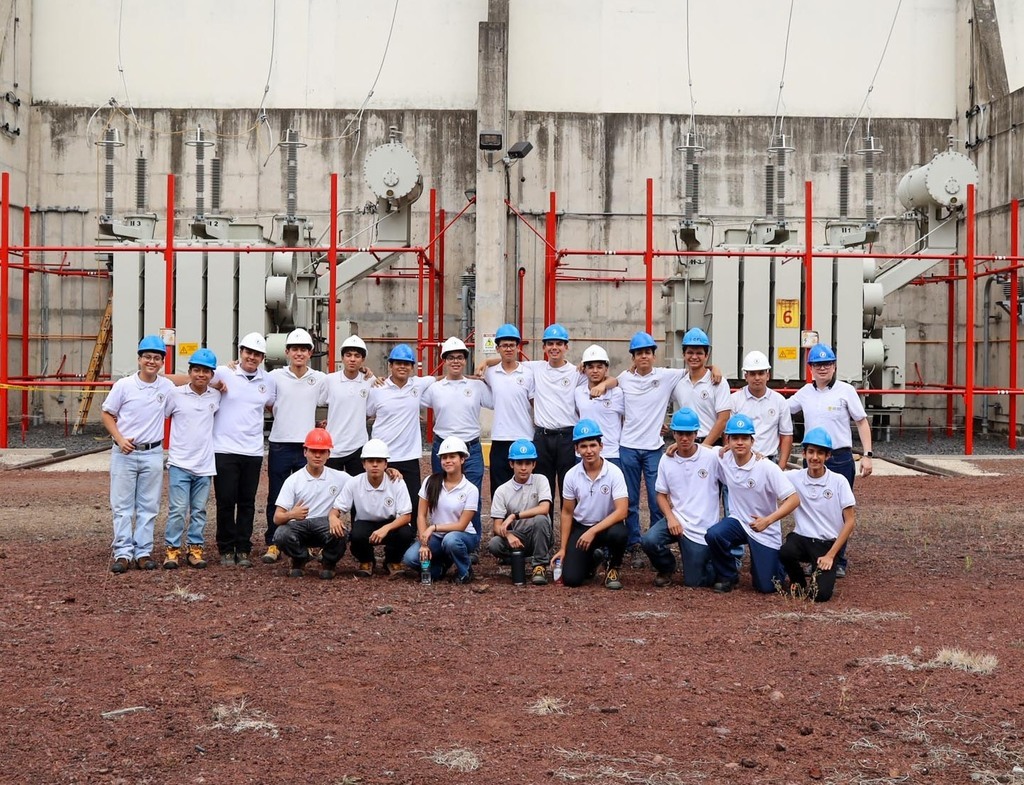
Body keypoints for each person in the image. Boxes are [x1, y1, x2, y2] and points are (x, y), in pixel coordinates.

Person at [788, 343, 872, 577]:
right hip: (812, 459)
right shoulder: (805, 393)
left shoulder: (846, 391)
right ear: (810, 368)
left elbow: (862, 422)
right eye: (817, 364)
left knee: (840, 511)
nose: (822, 368)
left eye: (827, 363)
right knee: (810, 508)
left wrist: (867, 455)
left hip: (839, 458)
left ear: (834, 365)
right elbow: (781, 410)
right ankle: (814, 556)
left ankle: (838, 560)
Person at [101, 335, 176, 573]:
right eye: (147, 357)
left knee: (148, 505)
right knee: (122, 505)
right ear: (139, 359)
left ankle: (142, 551)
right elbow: (107, 414)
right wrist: (119, 438)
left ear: (162, 362)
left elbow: (188, 380)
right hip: (125, 452)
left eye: (156, 358)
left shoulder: (166, 387)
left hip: (152, 452)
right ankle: (123, 552)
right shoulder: (124, 385)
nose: (151, 362)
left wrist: (217, 378)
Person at [705, 413, 800, 594]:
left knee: (767, 587)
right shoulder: (723, 457)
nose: (740, 442)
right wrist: (675, 446)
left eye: (744, 438)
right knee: (714, 534)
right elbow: (695, 448)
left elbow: (794, 499)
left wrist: (768, 520)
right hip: (739, 522)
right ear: (728, 440)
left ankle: (777, 563)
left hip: (764, 529)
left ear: (752, 441)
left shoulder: (766, 467)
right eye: (735, 438)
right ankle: (728, 576)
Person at [615, 331, 688, 557]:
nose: (643, 356)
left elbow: (694, 369)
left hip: (654, 448)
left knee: (659, 499)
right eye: (639, 353)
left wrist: (715, 369)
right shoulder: (624, 378)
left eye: (647, 352)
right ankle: (634, 543)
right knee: (631, 499)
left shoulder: (666, 376)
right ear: (633, 357)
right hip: (628, 446)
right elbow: (610, 382)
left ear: (654, 356)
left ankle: (656, 544)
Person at [263, 328, 328, 564]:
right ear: (287, 352)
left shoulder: (320, 379)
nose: (299, 353)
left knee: (310, 496)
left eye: (303, 349)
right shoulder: (274, 377)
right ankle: (273, 542)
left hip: (307, 446)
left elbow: (338, 395)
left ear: (310, 353)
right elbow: (267, 402)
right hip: (280, 443)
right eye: (295, 349)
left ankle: (311, 543)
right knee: (277, 496)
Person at [211, 332, 277, 568]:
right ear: (240, 352)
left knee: (247, 502)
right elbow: (195, 380)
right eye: (248, 352)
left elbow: (274, 406)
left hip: (252, 451)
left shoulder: (268, 381)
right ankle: (226, 548)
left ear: (262, 357)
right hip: (224, 449)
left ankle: (243, 548)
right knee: (226, 500)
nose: (252, 357)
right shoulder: (223, 372)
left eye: (257, 354)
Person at [640, 408, 721, 588]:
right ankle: (667, 567)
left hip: (702, 526)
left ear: (696, 434)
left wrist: (758, 455)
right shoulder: (666, 460)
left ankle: (719, 562)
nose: (684, 438)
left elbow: (735, 451)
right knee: (649, 541)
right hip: (678, 518)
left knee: (695, 582)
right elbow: (660, 494)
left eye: (689, 434)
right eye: (680, 434)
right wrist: (670, 518)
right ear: (673, 433)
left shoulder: (711, 457)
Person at [420, 336, 491, 535]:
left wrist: (488, 375)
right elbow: (412, 400)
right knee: (439, 493)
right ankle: (440, 536)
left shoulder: (476, 386)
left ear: (465, 360)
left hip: (471, 447)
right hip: (443, 448)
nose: (456, 361)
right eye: (451, 357)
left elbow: (497, 400)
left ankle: (471, 541)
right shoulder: (434, 389)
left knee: (473, 496)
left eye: (460, 357)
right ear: (444, 360)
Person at [550, 419, 629, 590]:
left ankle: (613, 567)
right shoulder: (571, 475)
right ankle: (594, 560)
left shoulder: (614, 472)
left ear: (601, 446)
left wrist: (593, 530)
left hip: (607, 527)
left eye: (593, 445)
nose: (589, 451)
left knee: (620, 533)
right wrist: (563, 548)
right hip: (582, 527)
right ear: (576, 449)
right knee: (571, 579)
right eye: (583, 446)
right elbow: (567, 512)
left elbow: (622, 511)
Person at [779, 428, 856, 602]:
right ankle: (798, 583)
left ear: (827, 456)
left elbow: (850, 521)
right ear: (804, 453)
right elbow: (770, 472)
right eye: (811, 452)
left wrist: (831, 554)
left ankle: (819, 570)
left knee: (820, 596)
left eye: (820, 453)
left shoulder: (839, 481)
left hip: (827, 544)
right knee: (785, 551)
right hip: (802, 538)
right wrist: (755, 454)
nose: (815, 457)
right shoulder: (794, 477)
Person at [162, 348, 221, 569]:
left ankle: (195, 549)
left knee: (199, 510)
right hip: (179, 464)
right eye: (196, 370)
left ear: (212, 375)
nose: (201, 375)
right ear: (190, 372)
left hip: (205, 466)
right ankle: (172, 550)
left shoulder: (215, 396)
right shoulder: (175, 395)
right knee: (177, 509)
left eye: (206, 371)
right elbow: (163, 415)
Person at [272, 428, 351, 579]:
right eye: (313, 450)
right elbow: (277, 518)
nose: (317, 455)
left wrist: (388, 471)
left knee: (341, 531)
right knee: (281, 534)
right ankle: (300, 558)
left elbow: (364, 480)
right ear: (305, 452)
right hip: (300, 526)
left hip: (325, 525)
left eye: (322, 451)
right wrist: (291, 514)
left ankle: (328, 561)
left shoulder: (340, 477)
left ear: (328, 454)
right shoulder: (293, 480)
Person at [401, 436, 480, 584]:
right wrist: (424, 543)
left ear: (462, 459)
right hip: (437, 537)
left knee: (451, 540)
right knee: (410, 558)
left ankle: (465, 570)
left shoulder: (471, 489)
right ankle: (441, 565)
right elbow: (421, 515)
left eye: (452, 457)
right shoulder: (430, 481)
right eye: (444, 457)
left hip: (462, 536)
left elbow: (461, 525)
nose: (447, 461)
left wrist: (433, 527)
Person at [333, 438, 414, 577]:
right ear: (364, 464)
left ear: (386, 464)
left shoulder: (397, 482)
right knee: (356, 535)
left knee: (406, 533)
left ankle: (392, 560)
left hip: (390, 524)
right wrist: (332, 517)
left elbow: (406, 516)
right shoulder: (354, 482)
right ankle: (367, 560)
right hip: (365, 523)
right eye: (370, 461)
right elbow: (337, 508)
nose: (375, 465)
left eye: (379, 461)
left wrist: (385, 528)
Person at [366, 344, 435, 507]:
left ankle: (411, 532)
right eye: (398, 363)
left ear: (412, 367)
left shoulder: (417, 385)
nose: (402, 367)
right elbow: (366, 414)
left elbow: (442, 378)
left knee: (412, 501)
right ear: (390, 365)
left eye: (406, 363)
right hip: (383, 456)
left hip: (408, 456)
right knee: (381, 502)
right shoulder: (377, 389)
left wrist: (476, 376)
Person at [487, 439, 553, 585]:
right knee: (494, 544)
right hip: (519, 536)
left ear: (534, 464)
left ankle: (540, 565)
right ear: (511, 464)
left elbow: (544, 509)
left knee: (541, 519)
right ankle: (518, 558)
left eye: (528, 463)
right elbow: (497, 526)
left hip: (541, 532)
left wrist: (514, 516)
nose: (523, 468)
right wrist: (509, 535)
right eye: (519, 463)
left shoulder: (541, 480)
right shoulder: (502, 490)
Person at [481, 324, 535, 495]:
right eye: (504, 345)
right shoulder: (490, 373)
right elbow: (474, 380)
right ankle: (501, 522)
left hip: (524, 437)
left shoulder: (528, 373)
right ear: (497, 348)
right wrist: (486, 362)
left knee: (525, 489)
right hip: (499, 438)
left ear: (518, 347)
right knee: (499, 489)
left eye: (512, 345)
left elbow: (534, 404)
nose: (509, 349)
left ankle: (524, 522)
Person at [730, 350, 793, 469]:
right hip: (740, 462)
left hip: (769, 461)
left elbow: (786, 436)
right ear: (746, 376)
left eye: (761, 373)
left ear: (768, 375)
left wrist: (780, 467)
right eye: (752, 374)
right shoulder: (734, 400)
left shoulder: (779, 401)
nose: (757, 378)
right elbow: (728, 436)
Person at [671, 327, 731, 446]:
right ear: (683, 354)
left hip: (711, 444)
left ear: (706, 356)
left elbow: (723, 419)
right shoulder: (678, 382)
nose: (694, 357)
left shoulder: (718, 382)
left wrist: (704, 446)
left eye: (699, 353)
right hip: (686, 443)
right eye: (690, 352)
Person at [324, 334, 374, 476]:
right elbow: (316, 402)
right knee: (332, 492)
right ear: (342, 357)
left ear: (363, 360)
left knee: (358, 491)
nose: (352, 359)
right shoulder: (329, 380)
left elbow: (374, 407)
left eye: (357, 356)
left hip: (358, 447)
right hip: (333, 447)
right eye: (348, 355)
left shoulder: (369, 381)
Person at [574, 344, 625, 466]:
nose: (595, 371)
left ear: (606, 369)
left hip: (611, 454)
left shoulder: (617, 393)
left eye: (599, 367)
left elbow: (629, 417)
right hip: (585, 454)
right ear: (584, 369)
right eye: (590, 367)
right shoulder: (578, 392)